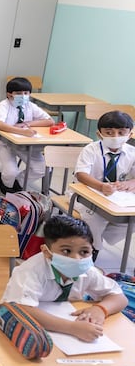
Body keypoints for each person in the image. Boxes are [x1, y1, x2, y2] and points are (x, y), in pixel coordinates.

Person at [2, 215, 127, 366]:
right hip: (24, 328)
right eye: (66, 251)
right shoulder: (30, 271)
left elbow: (119, 297)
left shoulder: (87, 271)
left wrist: (100, 309)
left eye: (84, 252)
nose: (76, 258)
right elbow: (22, 309)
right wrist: (72, 328)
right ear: (47, 252)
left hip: (66, 336)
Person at [75, 110, 135, 259]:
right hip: (89, 192)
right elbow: (81, 174)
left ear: (130, 134)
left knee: (129, 220)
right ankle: (93, 249)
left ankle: (96, 239)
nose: (115, 137)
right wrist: (100, 186)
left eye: (121, 133)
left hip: (116, 196)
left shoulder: (132, 152)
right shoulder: (91, 149)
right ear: (99, 134)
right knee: (95, 218)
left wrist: (131, 182)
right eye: (109, 133)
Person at [0, 77, 54, 193]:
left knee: (44, 168)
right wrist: (21, 131)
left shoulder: (30, 105)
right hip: (5, 143)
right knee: (11, 172)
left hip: (25, 145)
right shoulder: (3, 105)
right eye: (19, 93)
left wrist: (29, 123)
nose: (24, 96)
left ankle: (18, 183)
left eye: (26, 93)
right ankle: (5, 182)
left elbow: (50, 121)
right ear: (9, 95)